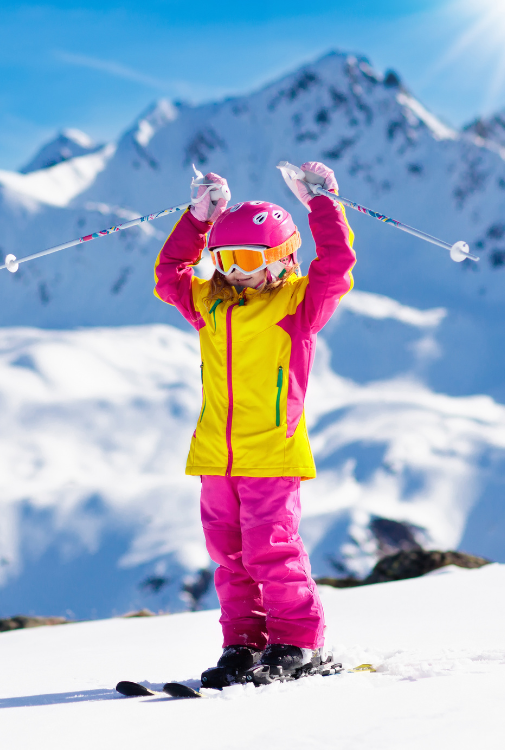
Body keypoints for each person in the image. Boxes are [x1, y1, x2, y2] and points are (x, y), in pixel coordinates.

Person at [153, 161, 356, 687]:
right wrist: (199, 220)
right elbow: (170, 275)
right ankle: (242, 642)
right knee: (228, 557)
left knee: (271, 548)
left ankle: (298, 641)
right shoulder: (209, 304)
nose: (234, 270)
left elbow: (336, 266)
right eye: (224, 259)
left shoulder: (297, 305)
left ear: (281, 258)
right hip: (215, 458)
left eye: (246, 258)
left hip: (271, 452)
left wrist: (323, 203)